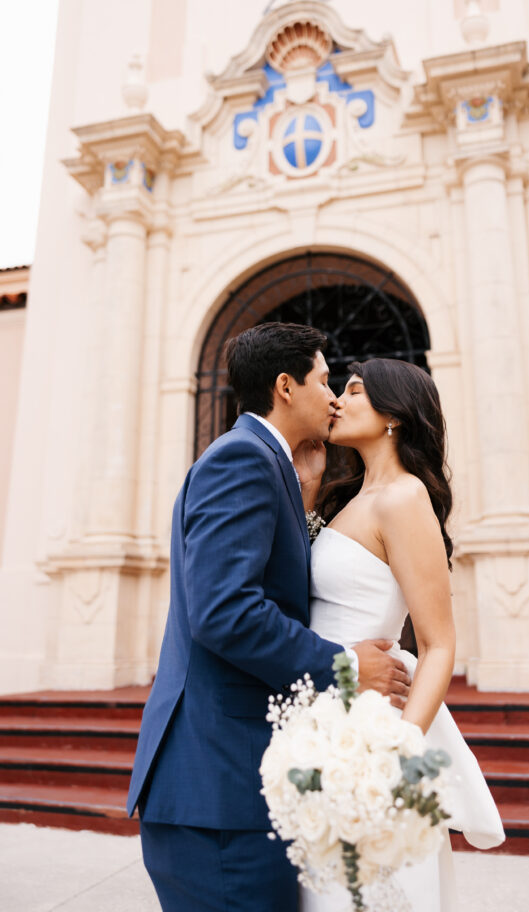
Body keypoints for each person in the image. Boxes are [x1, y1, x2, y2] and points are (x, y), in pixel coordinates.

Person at [127, 323, 411, 912]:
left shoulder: (265, 463)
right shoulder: (241, 461)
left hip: (237, 784)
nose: (334, 397)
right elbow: (225, 612)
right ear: (286, 386)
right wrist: (344, 665)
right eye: (325, 379)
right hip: (219, 787)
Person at [296, 358, 505, 912]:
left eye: (356, 390)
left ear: (395, 416)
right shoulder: (348, 499)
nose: (338, 399)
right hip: (317, 713)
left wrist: (397, 750)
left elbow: (438, 643)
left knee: (365, 887)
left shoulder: (405, 498)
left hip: (370, 723)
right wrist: (312, 486)